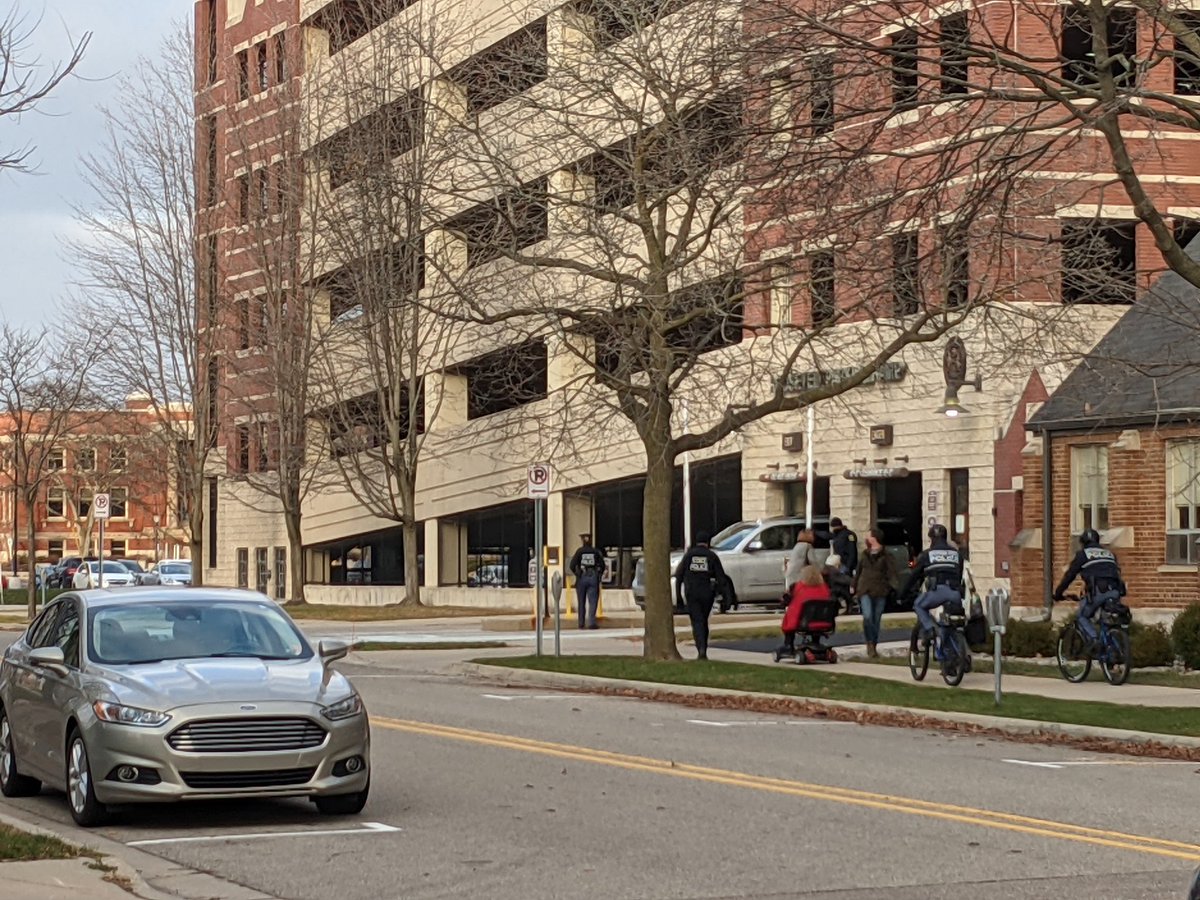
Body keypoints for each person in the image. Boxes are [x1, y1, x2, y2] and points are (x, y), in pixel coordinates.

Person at [1052, 528, 1124, 647]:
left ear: (1083, 542)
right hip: (1115, 591)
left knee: (1082, 616)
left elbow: (1070, 575)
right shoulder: (1110, 554)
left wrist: (1058, 593)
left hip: (1098, 591)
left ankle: (1094, 640)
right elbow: (1107, 571)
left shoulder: (1083, 554)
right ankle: (1110, 647)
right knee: (1106, 620)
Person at [900, 523, 963, 645]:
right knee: (948, 621)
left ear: (932, 539)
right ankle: (949, 647)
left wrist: (902, 594)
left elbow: (914, 576)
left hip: (937, 592)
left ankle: (930, 629)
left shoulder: (926, 555)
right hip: (955, 593)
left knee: (918, 605)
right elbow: (959, 575)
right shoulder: (957, 554)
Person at [674, 533, 727, 660]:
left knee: (696, 621)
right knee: (703, 620)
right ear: (708, 542)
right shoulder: (711, 556)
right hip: (707, 593)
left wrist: (679, 597)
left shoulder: (689, 556)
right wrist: (725, 596)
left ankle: (700, 648)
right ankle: (703, 647)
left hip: (692, 593)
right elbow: (721, 578)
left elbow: (679, 576)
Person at [853, 527, 892, 657]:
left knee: (876, 618)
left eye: (869, 535)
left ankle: (874, 643)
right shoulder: (864, 554)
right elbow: (858, 571)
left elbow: (891, 573)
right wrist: (854, 585)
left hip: (880, 589)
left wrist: (891, 588)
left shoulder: (886, 555)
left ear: (875, 538)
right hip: (865, 588)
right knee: (868, 616)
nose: (866, 538)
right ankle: (869, 642)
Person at [777, 564, 830, 657]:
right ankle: (815, 642)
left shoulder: (799, 587)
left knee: (790, 618)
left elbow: (789, 602)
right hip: (823, 622)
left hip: (804, 622)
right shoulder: (825, 589)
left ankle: (788, 645)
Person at [569, 533, 603, 630]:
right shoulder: (595, 551)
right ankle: (591, 622)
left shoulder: (579, 551)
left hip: (582, 577)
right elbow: (602, 565)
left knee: (581, 601)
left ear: (582, 541)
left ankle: (581, 623)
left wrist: (577, 574)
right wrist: (598, 575)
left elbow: (572, 565)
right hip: (593, 576)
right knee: (593, 601)